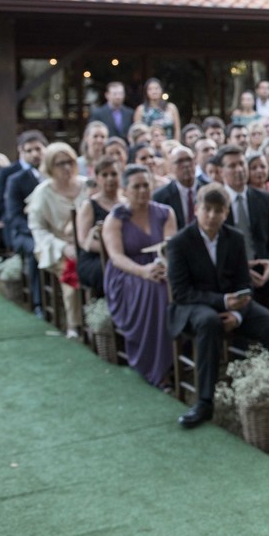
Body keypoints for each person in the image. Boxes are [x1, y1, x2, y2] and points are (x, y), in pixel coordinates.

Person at [166, 183, 269, 428]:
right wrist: (221, 302)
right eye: (207, 209)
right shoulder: (180, 242)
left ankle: (262, 389)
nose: (212, 216)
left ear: (226, 212)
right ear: (196, 209)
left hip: (233, 304)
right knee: (210, 322)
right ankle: (204, 402)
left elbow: (245, 283)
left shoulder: (234, 238)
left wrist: (237, 314)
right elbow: (181, 292)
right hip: (193, 306)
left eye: (218, 210)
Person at [103, 164, 178, 389]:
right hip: (126, 274)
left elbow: (169, 247)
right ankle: (156, 367)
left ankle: (179, 349)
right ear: (125, 190)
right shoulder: (116, 218)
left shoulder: (165, 213)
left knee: (171, 285)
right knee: (157, 290)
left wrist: (162, 266)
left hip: (160, 267)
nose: (143, 191)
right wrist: (143, 271)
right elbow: (116, 257)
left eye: (146, 185)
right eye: (136, 187)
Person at [218, 145, 269, 309]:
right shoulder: (216, 202)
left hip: (265, 264)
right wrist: (243, 268)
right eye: (232, 166)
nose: (239, 169)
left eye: (241, 164)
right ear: (221, 171)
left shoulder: (262, 197)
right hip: (232, 271)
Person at [27, 142, 88, 338]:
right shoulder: (42, 193)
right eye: (60, 163)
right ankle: (74, 325)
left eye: (69, 161)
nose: (67, 167)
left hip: (86, 242)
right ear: (50, 167)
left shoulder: (86, 185)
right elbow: (38, 228)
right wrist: (63, 247)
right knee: (71, 271)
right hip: (55, 246)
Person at [3, 131, 47, 314]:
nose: (35, 154)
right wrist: (36, 232)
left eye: (38, 149)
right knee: (36, 249)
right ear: (22, 152)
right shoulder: (15, 179)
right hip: (24, 233)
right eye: (29, 150)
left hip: (51, 229)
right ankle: (39, 303)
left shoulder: (51, 174)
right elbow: (14, 216)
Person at [76, 156, 124, 297]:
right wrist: (114, 251)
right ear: (97, 178)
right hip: (95, 258)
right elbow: (83, 241)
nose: (110, 178)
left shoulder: (127, 203)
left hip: (124, 254)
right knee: (117, 268)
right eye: (105, 175)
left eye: (114, 174)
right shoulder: (89, 205)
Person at [152, 146, 202, 229]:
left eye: (189, 160)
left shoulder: (208, 189)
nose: (186, 165)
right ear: (171, 167)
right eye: (180, 161)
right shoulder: (160, 197)